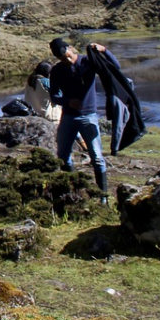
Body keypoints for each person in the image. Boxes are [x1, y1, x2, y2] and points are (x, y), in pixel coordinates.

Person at [48, 37, 111, 203]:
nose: (67, 60)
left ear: (70, 48)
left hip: (88, 116)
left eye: (68, 55)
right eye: (63, 59)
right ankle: (73, 193)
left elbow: (114, 68)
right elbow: (54, 96)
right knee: (63, 155)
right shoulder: (57, 71)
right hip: (68, 117)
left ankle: (103, 199)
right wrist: (68, 101)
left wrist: (104, 51)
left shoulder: (87, 62)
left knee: (96, 156)